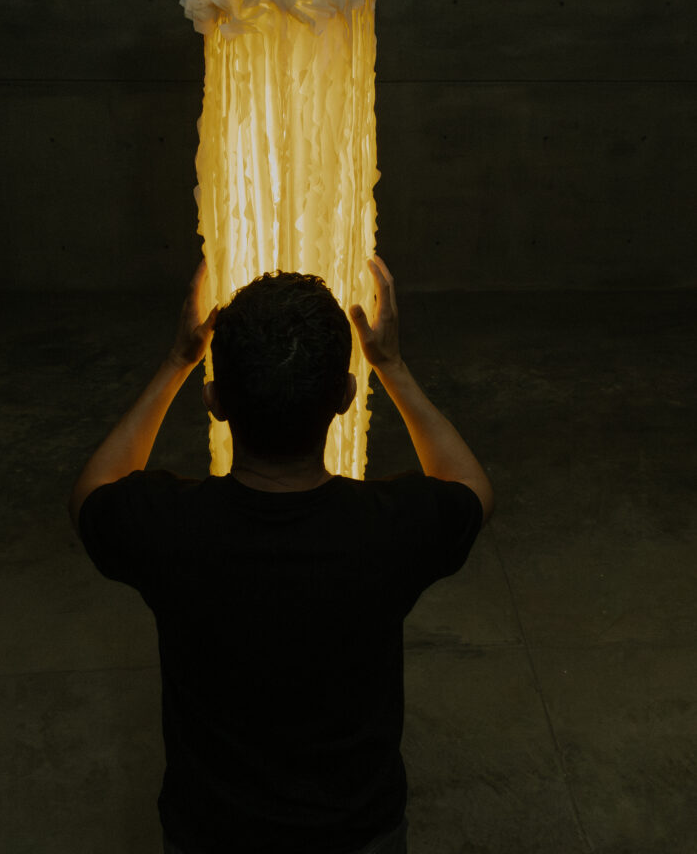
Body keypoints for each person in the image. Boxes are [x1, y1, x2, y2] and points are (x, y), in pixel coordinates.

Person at [69, 256, 494, 854]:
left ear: (214, 400)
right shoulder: (389, 530)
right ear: (346, 397)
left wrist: (177, 360)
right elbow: (472, 487)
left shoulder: (169, 528)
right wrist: (391, 365)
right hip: (357, 835)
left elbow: (92, 490)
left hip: (210, 834)